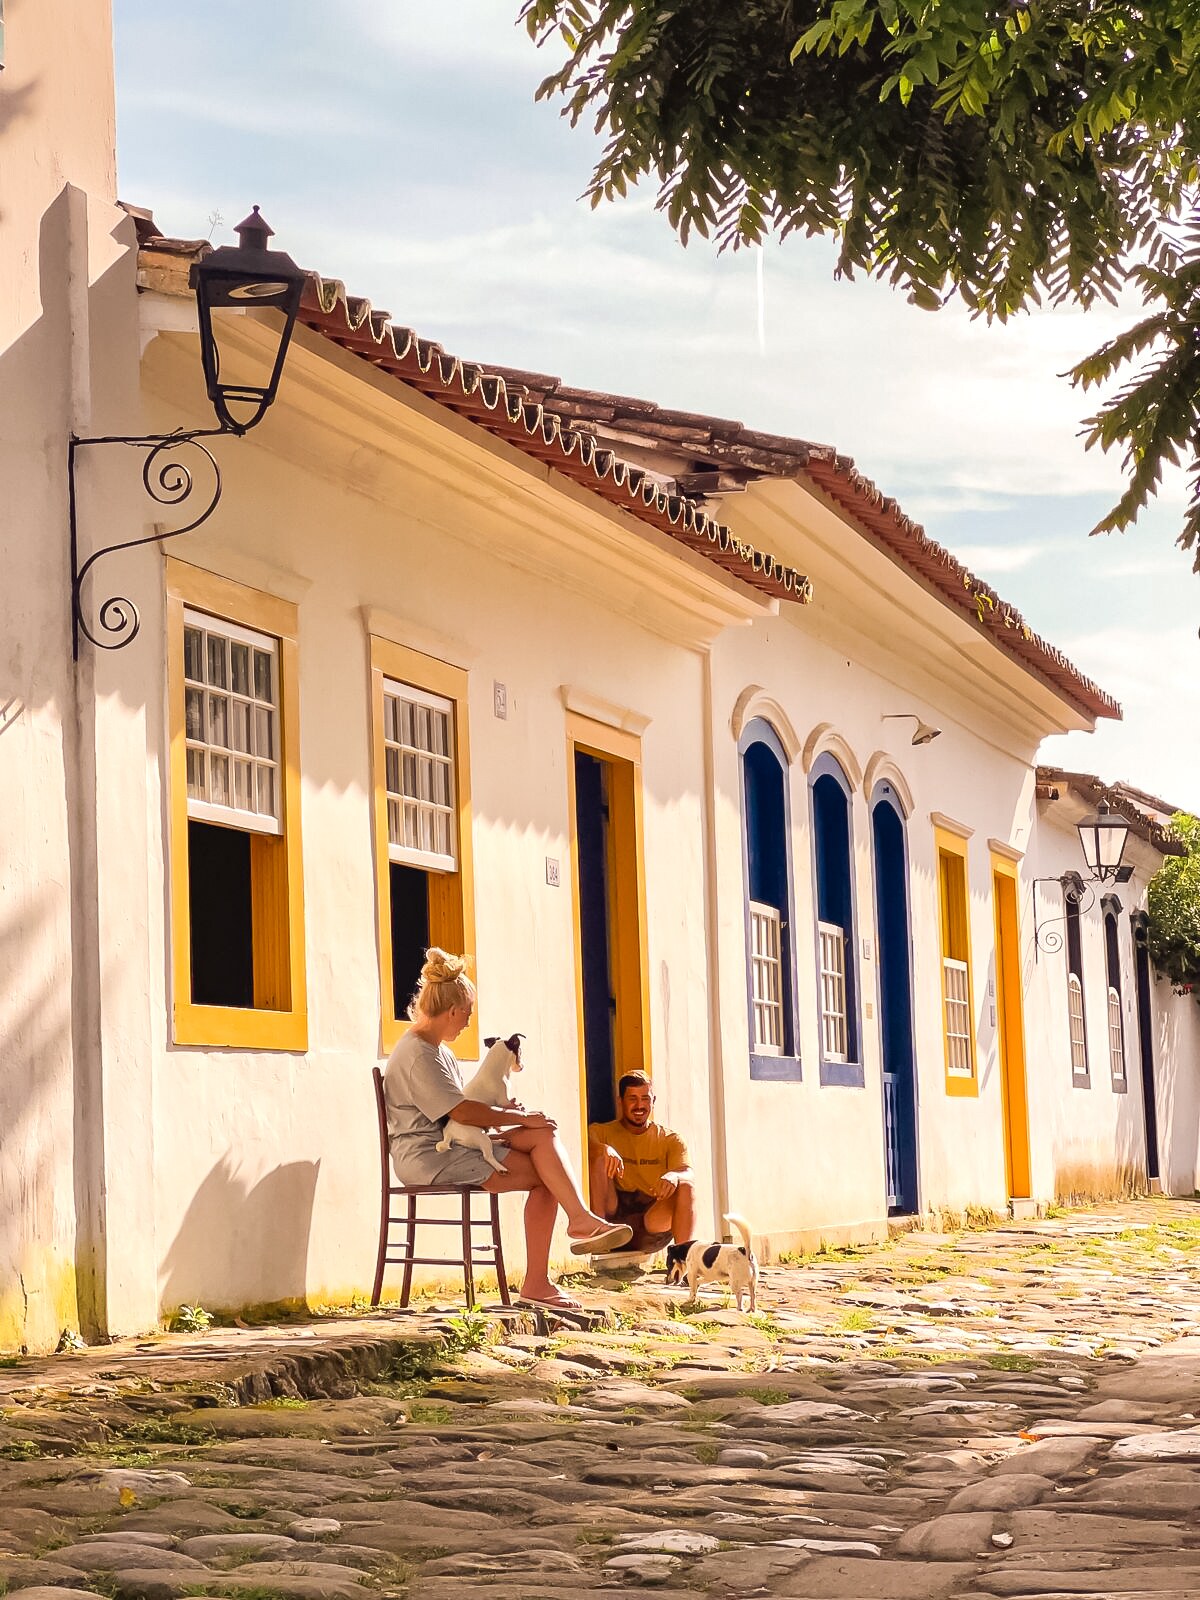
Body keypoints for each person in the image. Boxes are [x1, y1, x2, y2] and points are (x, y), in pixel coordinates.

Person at [383, 948, 633, 1309]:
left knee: (542, 1135)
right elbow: (463, 1111)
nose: (468, 1022)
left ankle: (578, 1221)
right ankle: (546, 1270)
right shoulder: (419, 1054)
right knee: (547, 1173)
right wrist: (518, 1119)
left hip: (455, 1144)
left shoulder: (438, 1051)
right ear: (452, 1011)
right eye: (467, 1013)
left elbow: (460, 1115)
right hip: (428, 1157)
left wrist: (514, 1120)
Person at [588, 1071, 696, 1256]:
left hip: (651, 1223)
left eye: (645, 1099)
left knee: (686, 1185)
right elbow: (583, 1148)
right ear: (620, 1101)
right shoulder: (601, 1132)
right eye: (632, 1099)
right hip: (614, 1218)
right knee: (598, 1157)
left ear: (653, 1101)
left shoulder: (670, 1139)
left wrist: (674, 1176)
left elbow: (687, 1172)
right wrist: (602, 1149)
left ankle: (683, 1258)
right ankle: (599, 1236)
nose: (639, 1105)